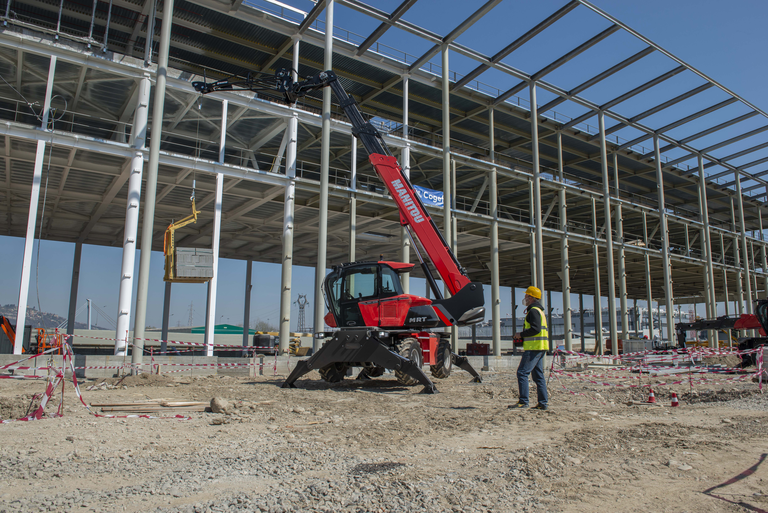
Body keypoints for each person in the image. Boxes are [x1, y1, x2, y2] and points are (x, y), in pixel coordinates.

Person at [509, 286, 549, 410]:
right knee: (538, 376)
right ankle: (542, 403)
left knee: (522, 373)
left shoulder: (533, 311)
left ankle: (523, 401)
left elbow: (535, 329)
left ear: (531, 297)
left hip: (534, 348)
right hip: (540, 347)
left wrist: (520, 334)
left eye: (526, 296)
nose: (525, 298)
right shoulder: (540, 311)